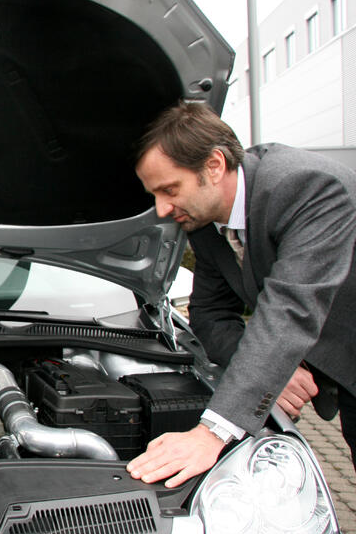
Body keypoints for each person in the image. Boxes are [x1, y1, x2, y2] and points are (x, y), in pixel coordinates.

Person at [127, 100, 356, 488]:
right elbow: (211, 315)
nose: (162, 209)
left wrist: (211, 433)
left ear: (214, 166)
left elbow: (289, 312)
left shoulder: (305, 187)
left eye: (169, 189)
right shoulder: (206, 223)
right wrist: (272, 375)